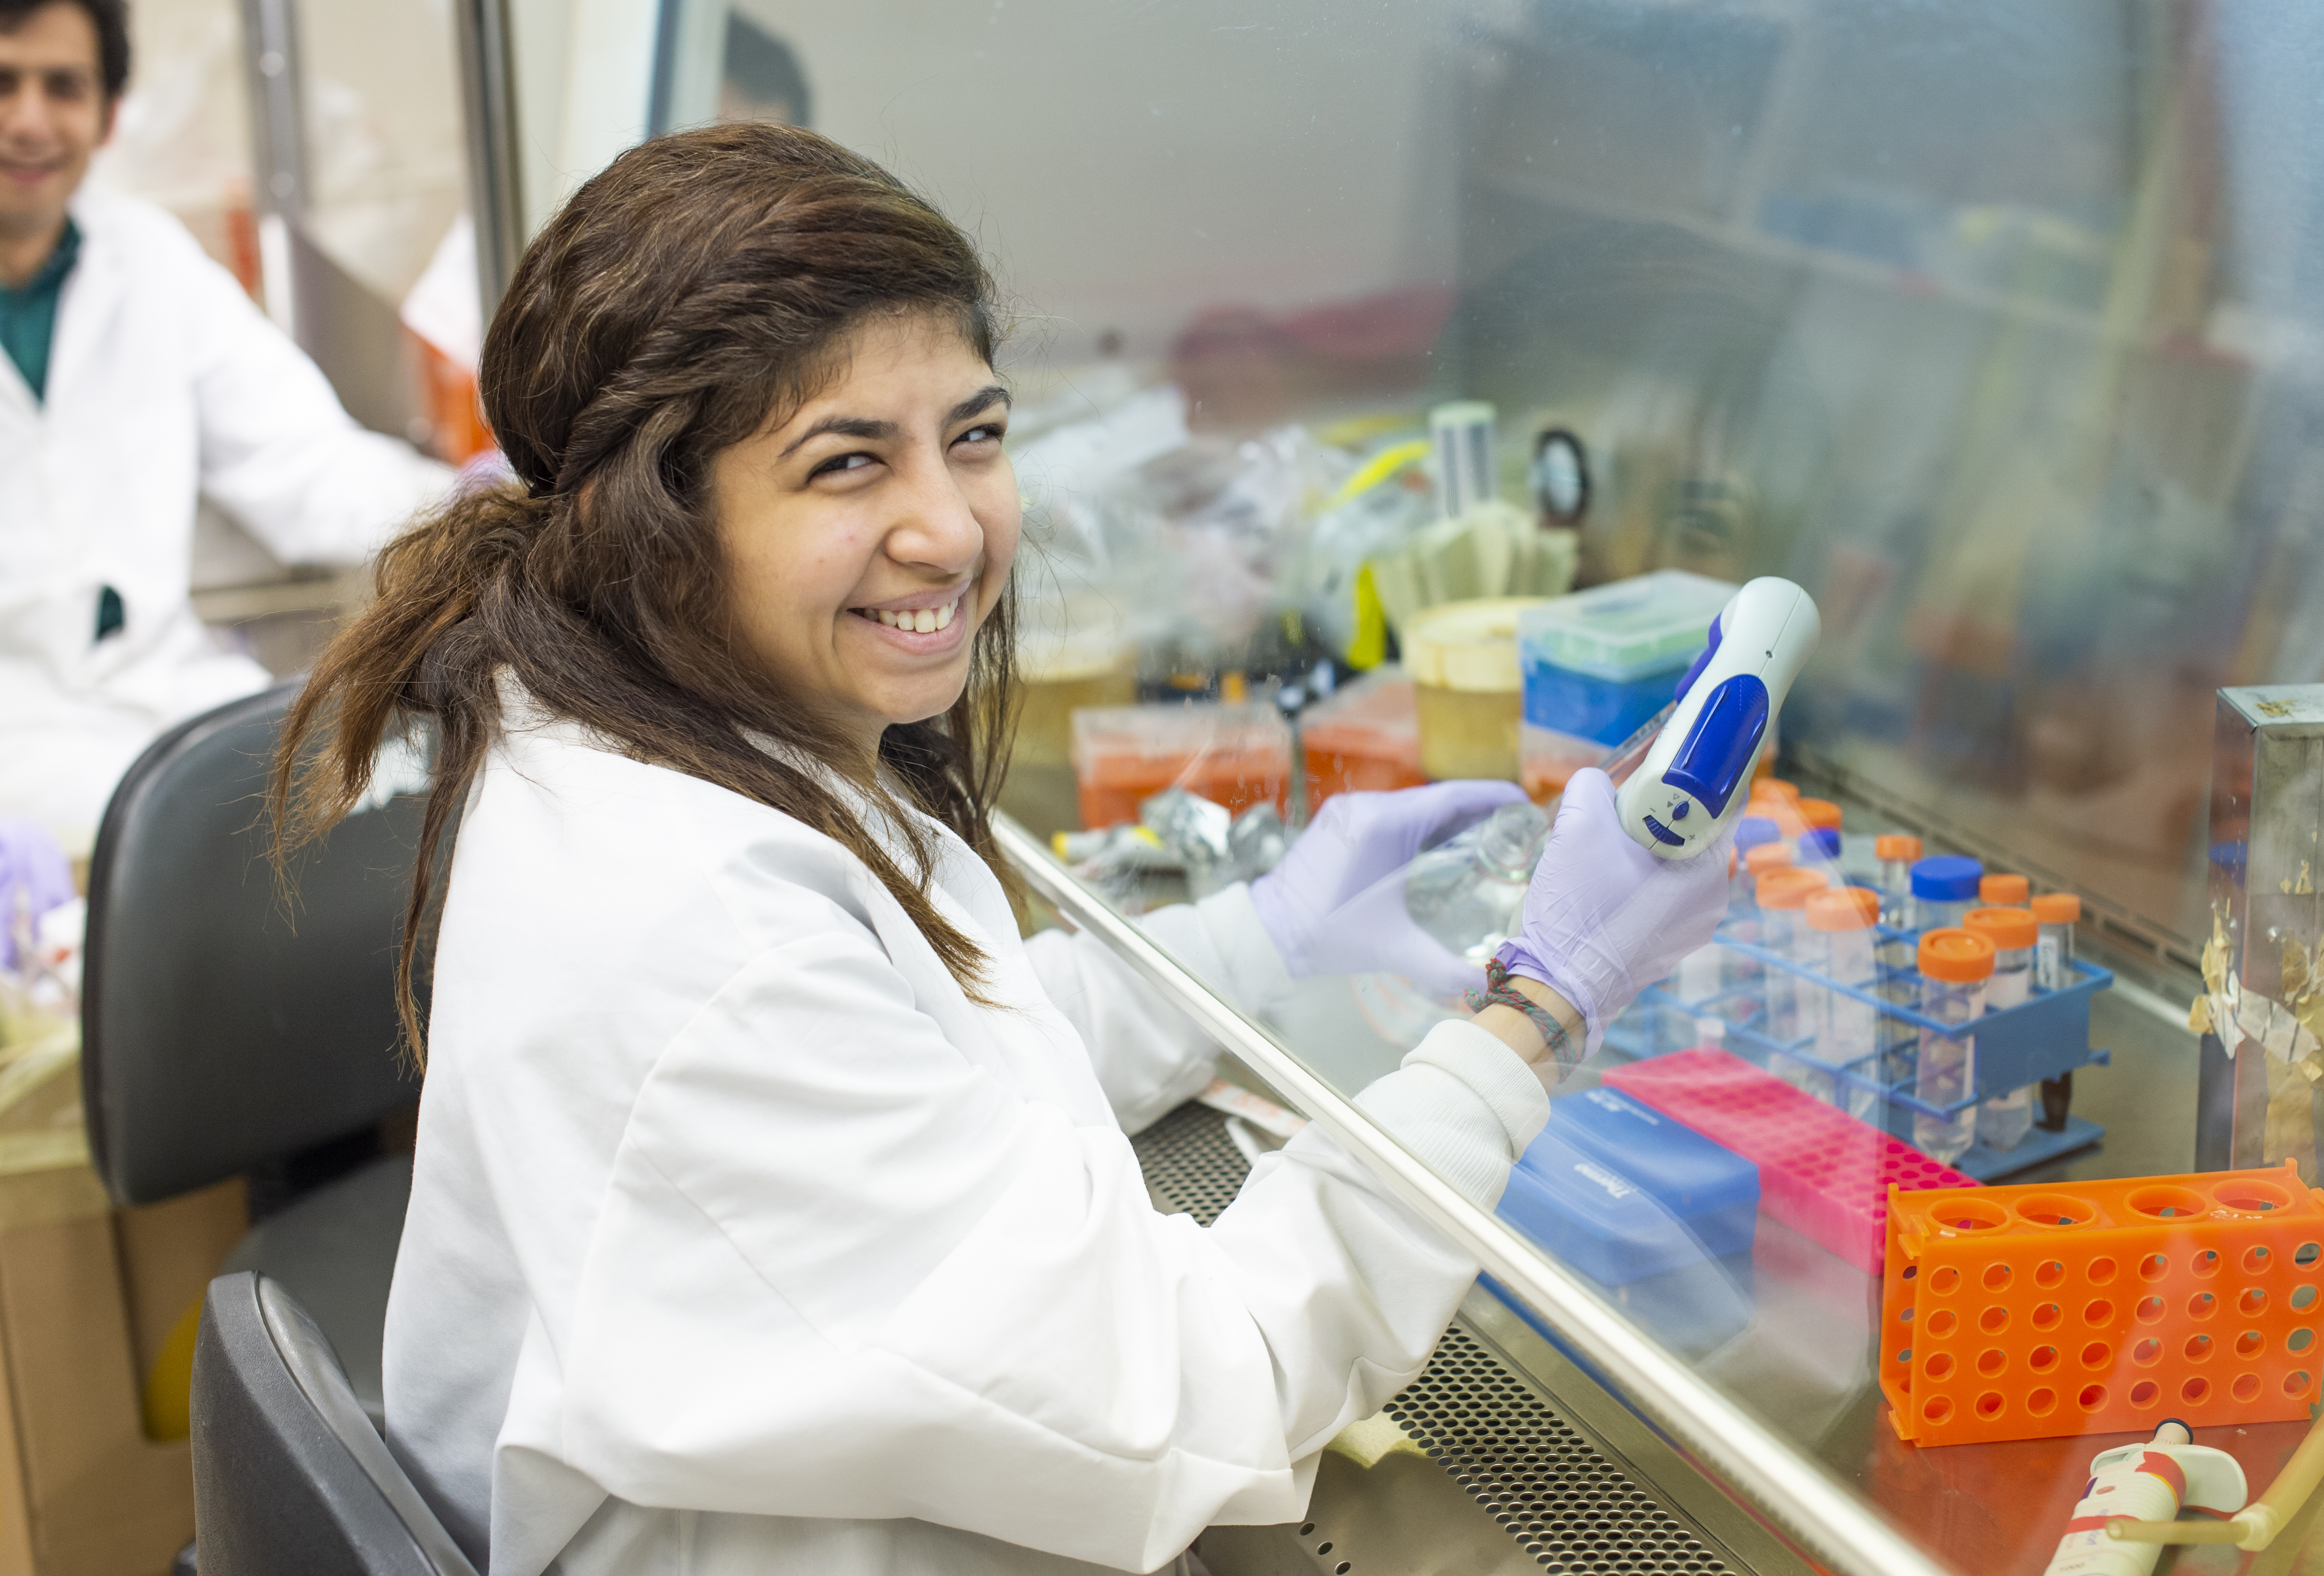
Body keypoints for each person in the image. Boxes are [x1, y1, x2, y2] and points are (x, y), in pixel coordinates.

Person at [273, 123, 1730, 1576]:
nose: (951, 530)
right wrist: (1538, 1010)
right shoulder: (702, 928)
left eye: (972, 437)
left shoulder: (650, 733)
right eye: (847, 463)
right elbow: (1196, 1384)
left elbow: (926, 1063)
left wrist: (1258, 938)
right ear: (651, 517)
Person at [0, 0, 451, 845]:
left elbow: (306, 465)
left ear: (108, 115)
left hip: (165, 701)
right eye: (3, 83)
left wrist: (472, 506)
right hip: (16, 750)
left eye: (63, 87)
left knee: (379, 802)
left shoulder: (150, 260)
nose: (29, 122)